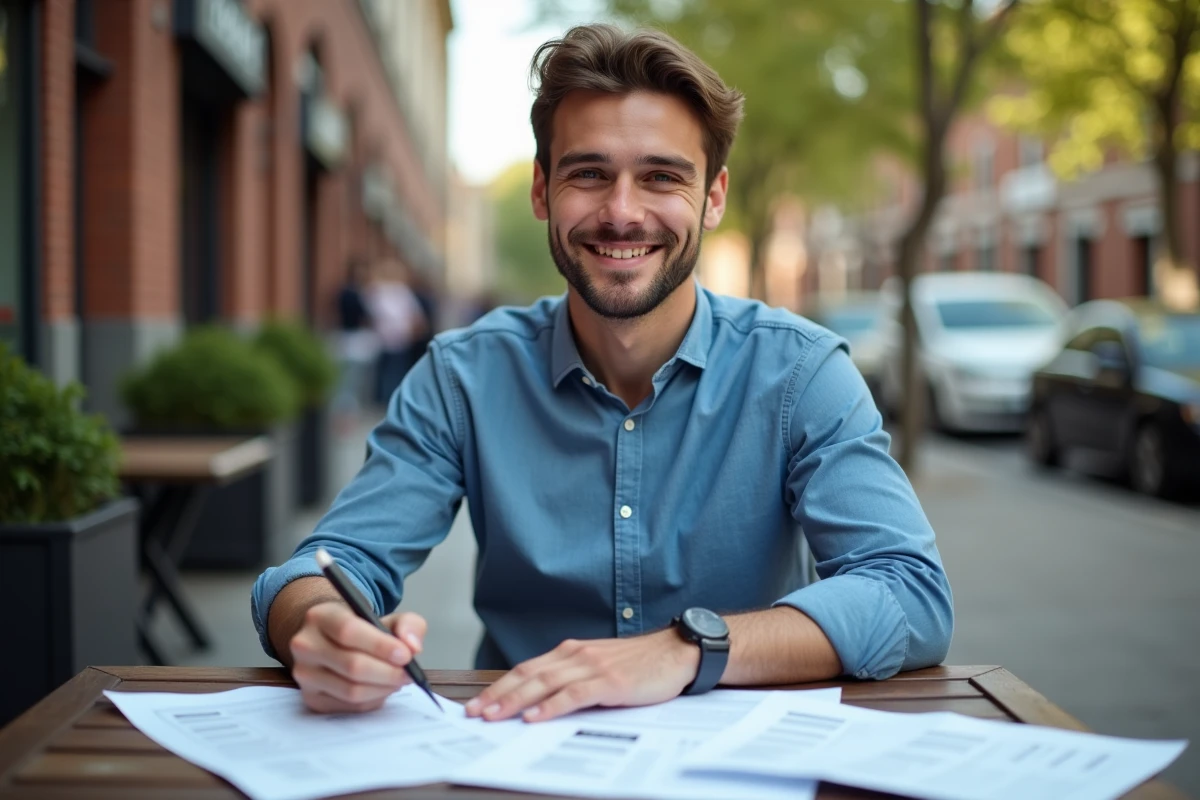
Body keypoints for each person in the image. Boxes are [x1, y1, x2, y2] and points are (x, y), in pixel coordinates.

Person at [252, 24, 953, 721]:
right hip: (515, 751)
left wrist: (686, 650)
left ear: (713, 197)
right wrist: (321, 628)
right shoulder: (462, 376)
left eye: (661, 177)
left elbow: (908, 592)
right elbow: (323, 568)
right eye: (589, 174)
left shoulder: (801, 373)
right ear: (541, 191)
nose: (622, 212)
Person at [330, 258, 379, 435]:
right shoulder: (354, 293)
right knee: (350, 383)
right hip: (353, 342)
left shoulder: (350, 292)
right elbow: (366, 316)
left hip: (349, 341)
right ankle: (345, 420)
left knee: (349, 383)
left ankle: (347, 418)